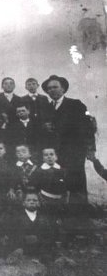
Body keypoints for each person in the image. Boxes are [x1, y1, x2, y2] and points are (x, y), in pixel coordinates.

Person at [41, 75, 96, 206]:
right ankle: (59, 212)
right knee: (56, 182)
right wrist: (44, 127)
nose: (52, 90)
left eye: (55, 87)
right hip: (54, 154)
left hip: (74, 152)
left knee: (76, 182)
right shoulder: (45, 107)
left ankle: (80, 214)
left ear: (63, 89)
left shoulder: (76, 105)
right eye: (49, 88)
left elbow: (88, 127)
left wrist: (91, 149)